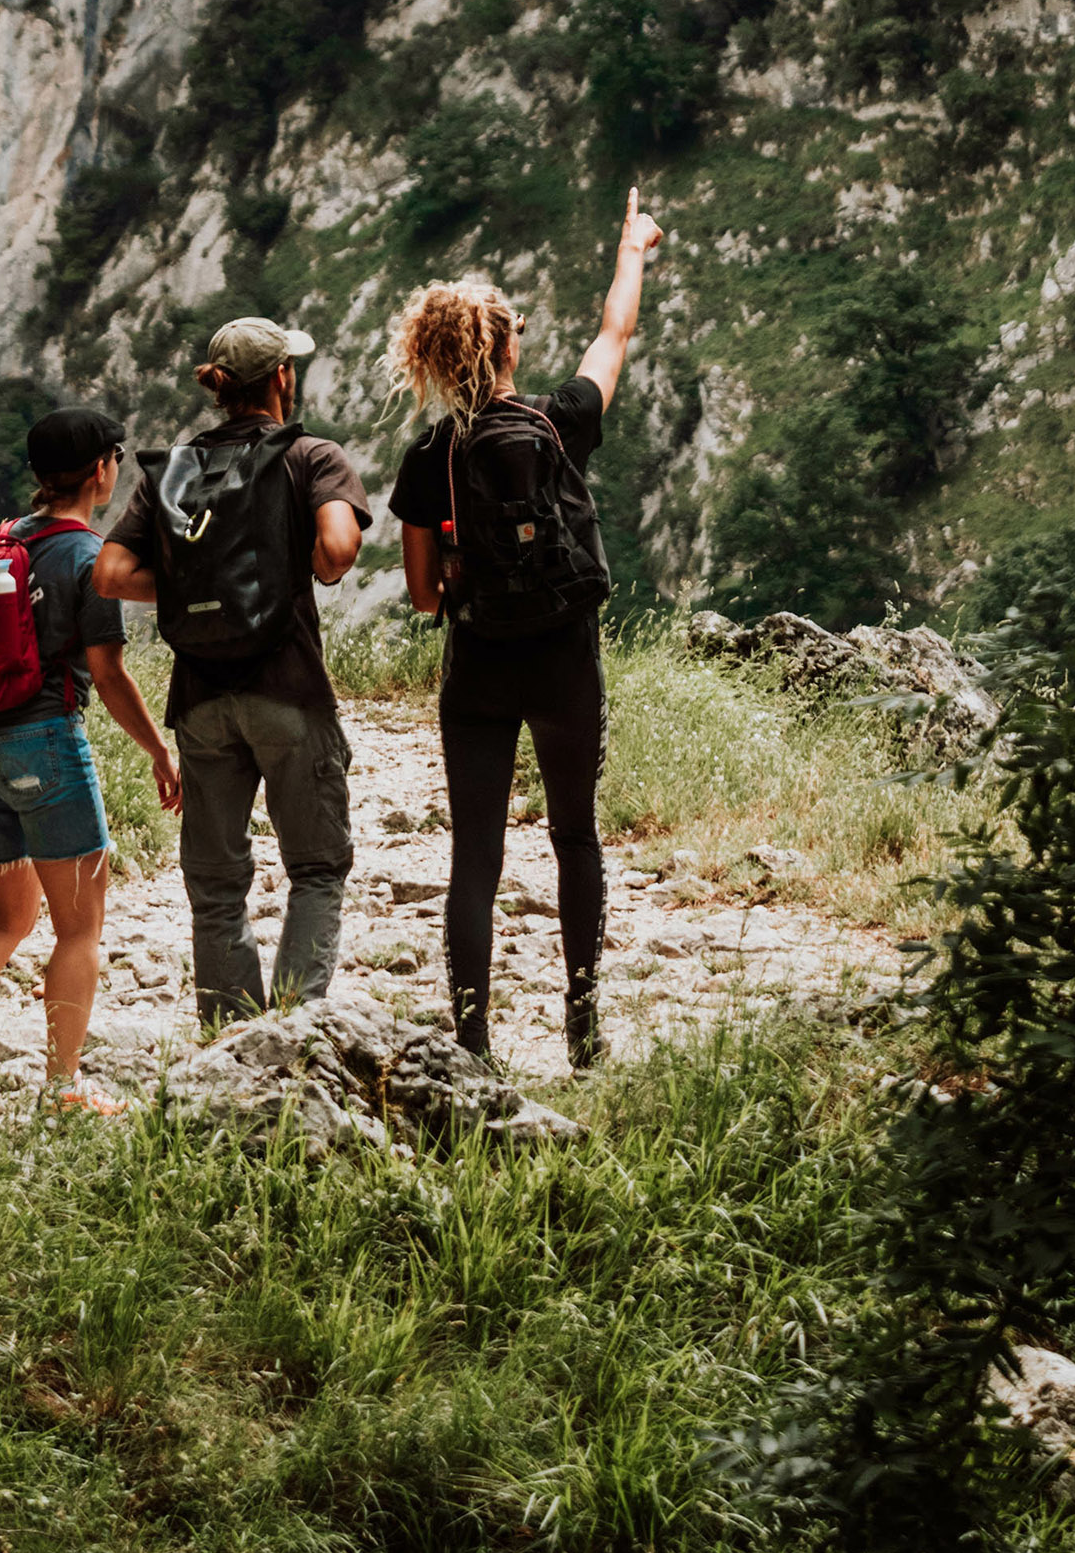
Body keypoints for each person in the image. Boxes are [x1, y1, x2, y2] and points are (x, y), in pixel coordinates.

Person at [387, 187, 663, 1070]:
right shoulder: (557, 419)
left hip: (479, 669)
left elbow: (424, 597)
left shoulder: (430, 457)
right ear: (506, 348)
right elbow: (614, 337)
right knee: (574, 834)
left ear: (435, 359)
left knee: (476, 855)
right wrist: (633, 249)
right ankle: (582, 1034)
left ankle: (472, 1043)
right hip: (563, 661)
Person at [0, 406, 181, 1115]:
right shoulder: (89, 557)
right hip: (44, 745)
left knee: (7, 916)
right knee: (79, 927)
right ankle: (62, 1088)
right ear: (101, 470)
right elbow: (108, 675)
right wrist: (159, 750)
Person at [94, 317, 371, 1025]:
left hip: (201, 700)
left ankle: (230, 1042)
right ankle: (293, 1030)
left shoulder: (180, 467)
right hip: (288, 691)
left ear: (219, 389)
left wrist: (192, 586)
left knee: (216, 885)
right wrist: (288, 566)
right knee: (314, 868)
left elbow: (112, 573)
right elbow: (338, 551)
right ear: (281, 378)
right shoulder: (311, 455)